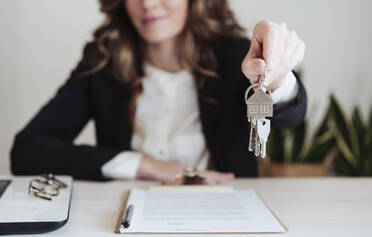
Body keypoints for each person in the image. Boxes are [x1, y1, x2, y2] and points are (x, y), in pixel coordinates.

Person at [10, 0, 306, 184]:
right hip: (124, 219)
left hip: (224, 214)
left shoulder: (235, 56)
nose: (148, 3)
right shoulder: (102, 63)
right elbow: (26, 151)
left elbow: (289, 116)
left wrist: (277, 78)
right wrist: (145, 166)